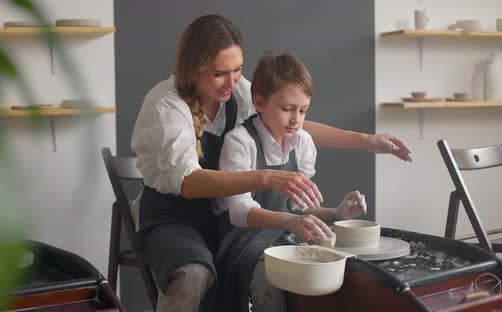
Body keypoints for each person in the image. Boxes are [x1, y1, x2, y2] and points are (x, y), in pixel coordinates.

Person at [130, 14, 410, 312]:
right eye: (219, 73)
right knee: (194, 273)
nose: (231, 81)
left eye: (237, 69)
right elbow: (189, 182)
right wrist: (267, 178)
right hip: (176, 218)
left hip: (223, 219)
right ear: (193, 69)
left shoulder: (236, 90)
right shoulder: (166, 106)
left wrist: (365, 141)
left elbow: (284, 121)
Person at [214, 51, 367, 312]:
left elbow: (296, 210)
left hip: (285, 233)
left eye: (303, 110)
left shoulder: (303, 142)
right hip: (242, 241)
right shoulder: (240, 142)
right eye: (287, 109)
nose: (296, 119)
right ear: (259, 102)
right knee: (270, 282)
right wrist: (291, 221)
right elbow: (239, 212)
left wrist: (337, 213)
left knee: (339, 269)